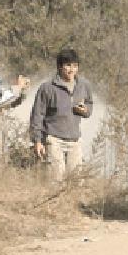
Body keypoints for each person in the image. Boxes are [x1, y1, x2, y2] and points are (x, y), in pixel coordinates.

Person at [29, 49, 93, 181]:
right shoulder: (47, 88)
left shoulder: (83, 85)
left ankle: (72, 202)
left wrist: (85, 110)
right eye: (68, 65)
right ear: (59, 66)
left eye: (75, 66)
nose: (72, 70)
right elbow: (37, 115)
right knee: (55, 179)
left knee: (76, 180)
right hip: (53, 139)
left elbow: (90, 105)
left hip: (74, 139)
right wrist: (37, 141)